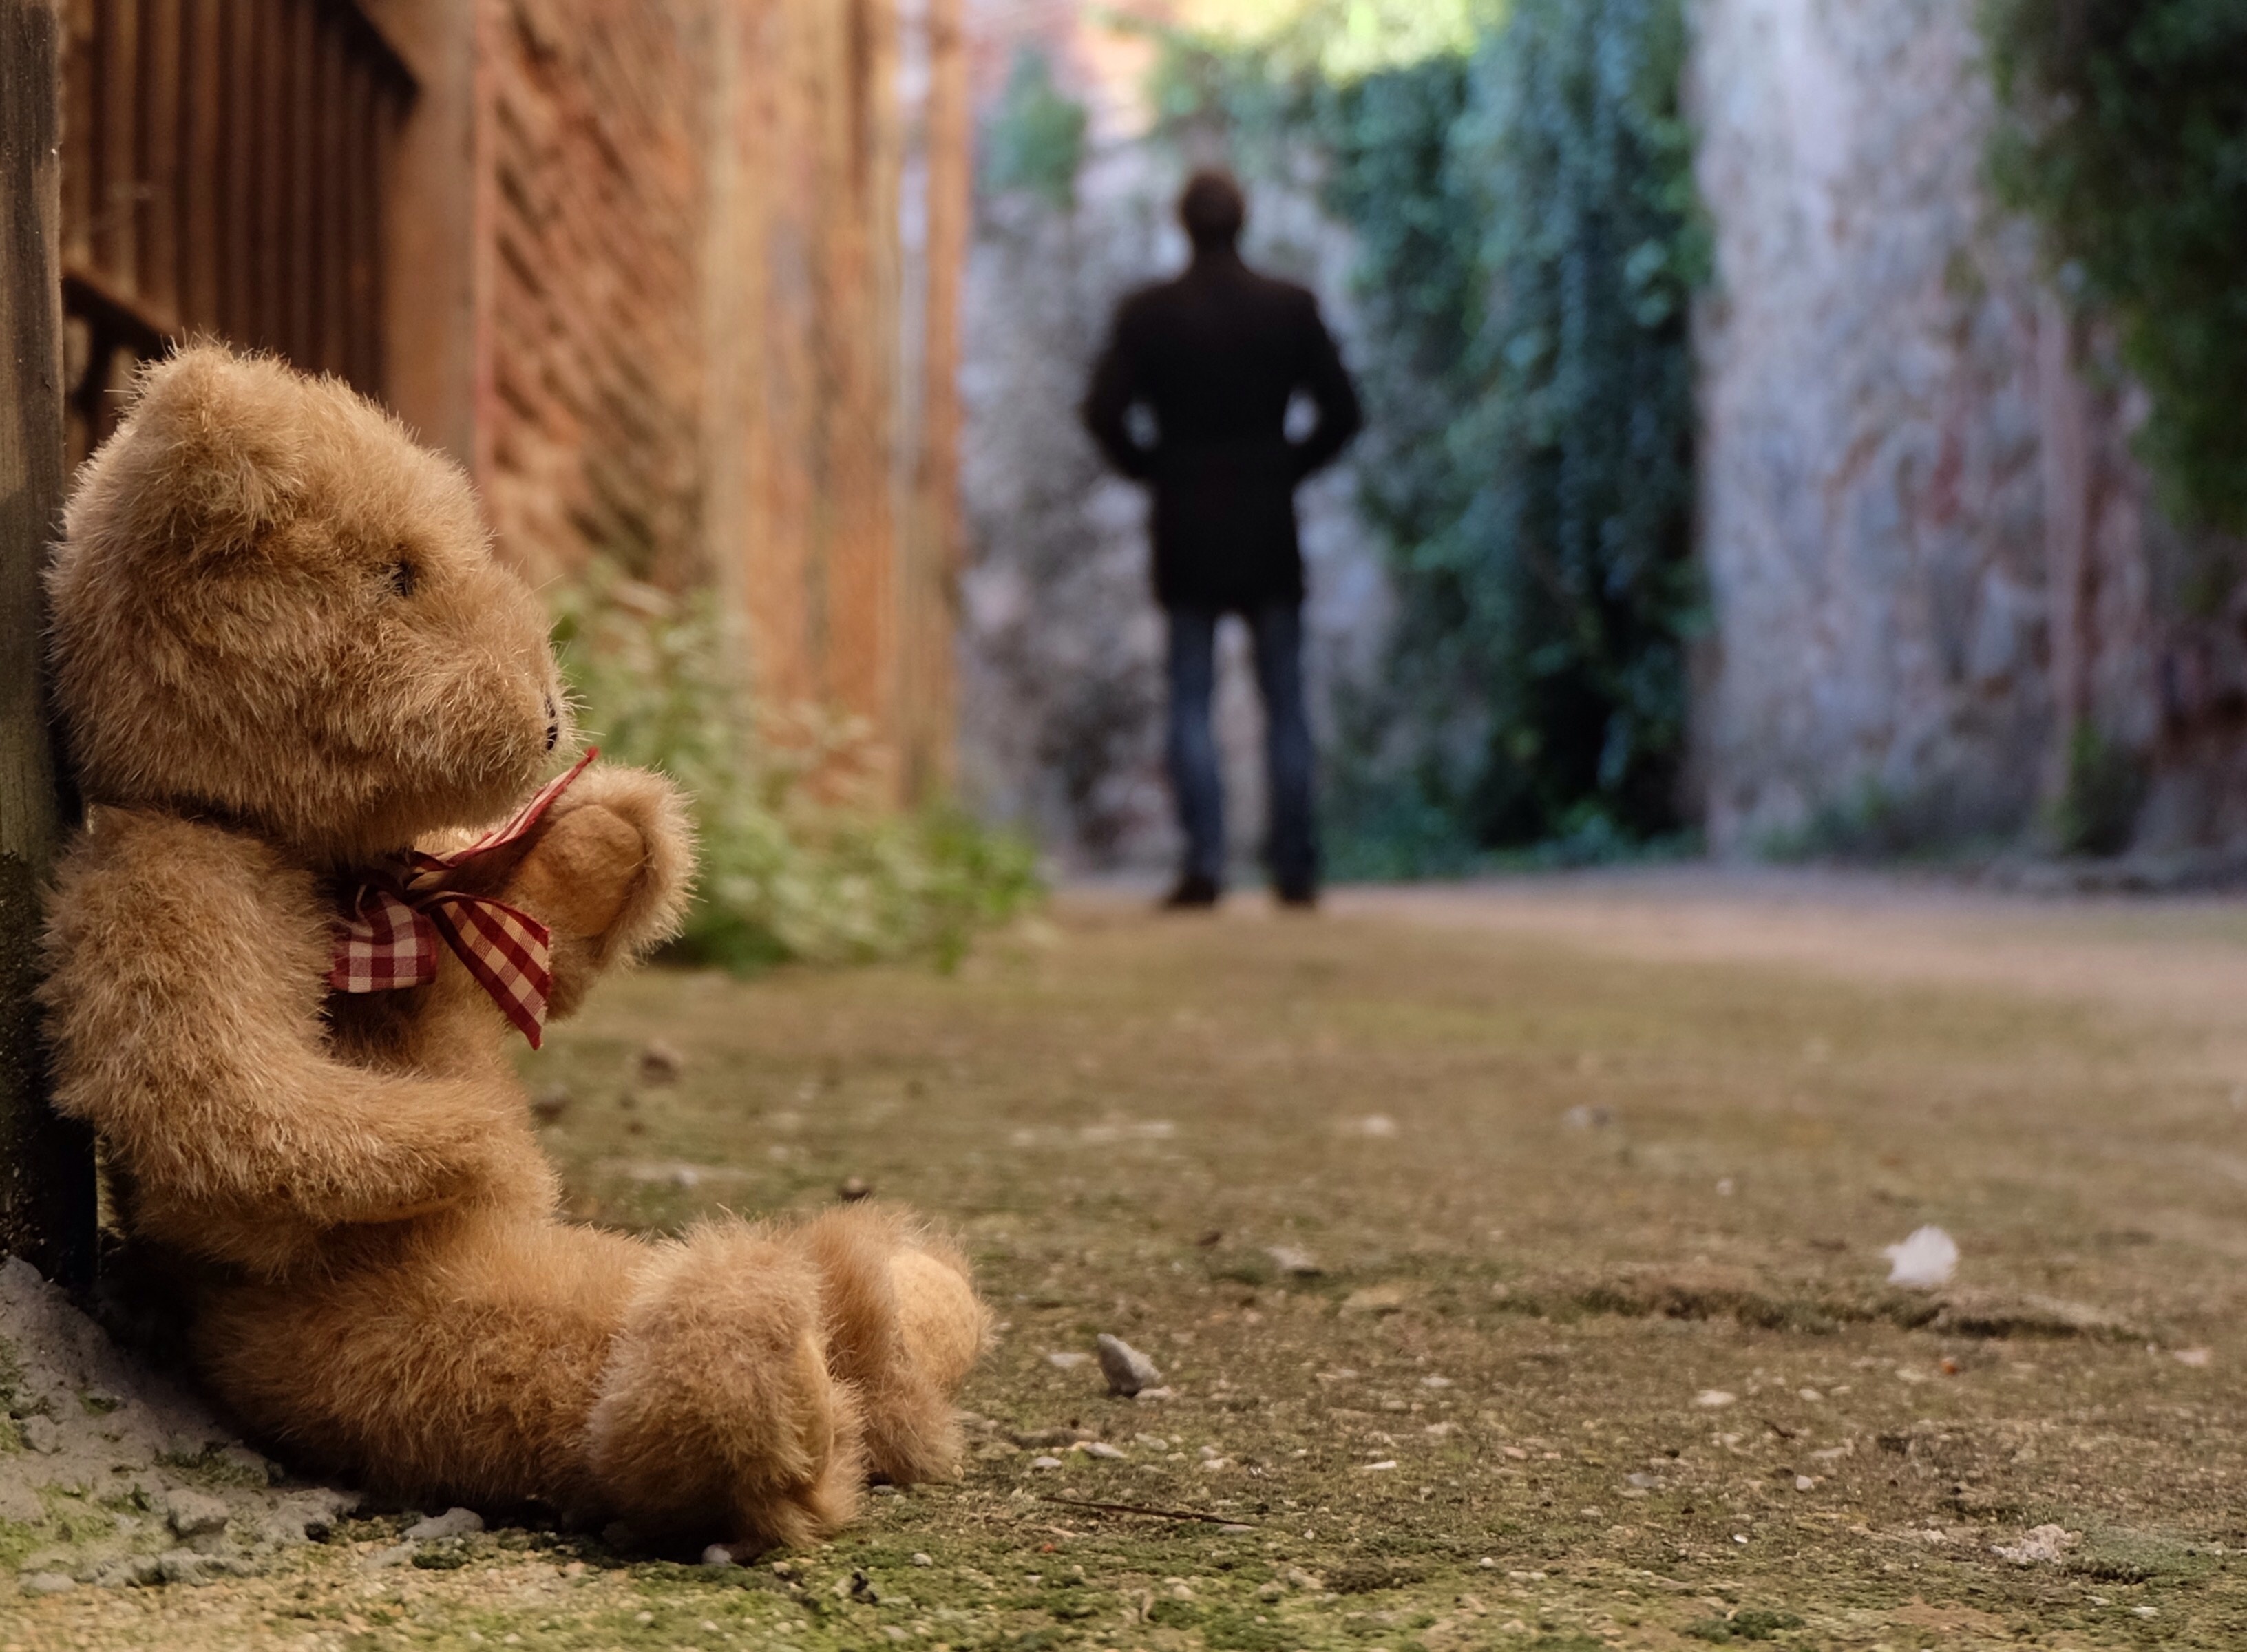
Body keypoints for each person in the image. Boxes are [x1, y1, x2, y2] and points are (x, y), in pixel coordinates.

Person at [1082, 168, 1362, 909]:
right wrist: (1288, 466)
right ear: (1244, 222)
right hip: (1268, 517)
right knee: (1286, 700)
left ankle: (1205, 863)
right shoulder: (1288, 308)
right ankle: (1295, 868)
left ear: (1183, 224)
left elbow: (1102, 413)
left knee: (1190, 696)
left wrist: (1153, 470)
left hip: (1186, 518)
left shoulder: (1148, 315)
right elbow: (1343, 411)